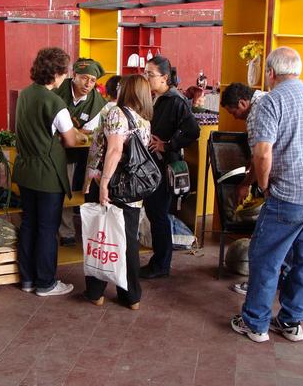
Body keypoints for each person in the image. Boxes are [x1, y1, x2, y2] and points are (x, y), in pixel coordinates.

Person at [231, 47, 303, 343]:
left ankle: (255, 323)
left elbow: (263, 153)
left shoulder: (271, 102)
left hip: (289, 195)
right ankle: (291, 323)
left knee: (267, 258)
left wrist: (265, 185)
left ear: (270, 73)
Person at [83, 74, 152, 310]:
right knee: (127, 241)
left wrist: (103, 183)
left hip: (112, 184)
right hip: (133, 189)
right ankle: (131, 296)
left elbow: (114, 151)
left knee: (101, 236)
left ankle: (96, 292)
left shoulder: (116, 112)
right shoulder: (144, 120)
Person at [13, 47, 77, 297]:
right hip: (47, 173)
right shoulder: (55, 102)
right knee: (48, 229)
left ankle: (28, 280)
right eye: (65, 72)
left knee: (29, 225)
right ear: (58, 73)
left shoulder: (25, 94)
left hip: (25, 170)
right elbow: (70, 140)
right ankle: (46, 283)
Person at [140, 56, 200, 279]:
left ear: (165, 77)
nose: (147, 78)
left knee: (159, 215)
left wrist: (168, 145)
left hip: (164, 167)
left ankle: (161, 264)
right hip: (152, 166)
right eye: (145, 73)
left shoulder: (176, 101)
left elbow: (193, 131)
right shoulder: (157, 98)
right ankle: (159, 261)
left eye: (151, 75)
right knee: (155, 213)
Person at [220, 82, 268, 295]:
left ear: (243, 102)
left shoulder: (258, 112)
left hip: (280, 187)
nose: (235, 117)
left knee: (265, 237)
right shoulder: (268, 99)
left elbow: (263, 156)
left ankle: (256, 286)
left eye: (235, 111)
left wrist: (246, 184)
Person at [54, 58, 107, 246]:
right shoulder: (57, 92)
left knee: (88, 191)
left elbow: (88, 133)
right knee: (64, 190)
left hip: (89, 154)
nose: (88, 84)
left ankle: (91, 232)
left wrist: (70, 131)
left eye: (93, 80)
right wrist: (74, 132)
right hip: (59, 153)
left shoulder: (97, 102)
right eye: (84, 78)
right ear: (74, 75)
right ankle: (66, 232)